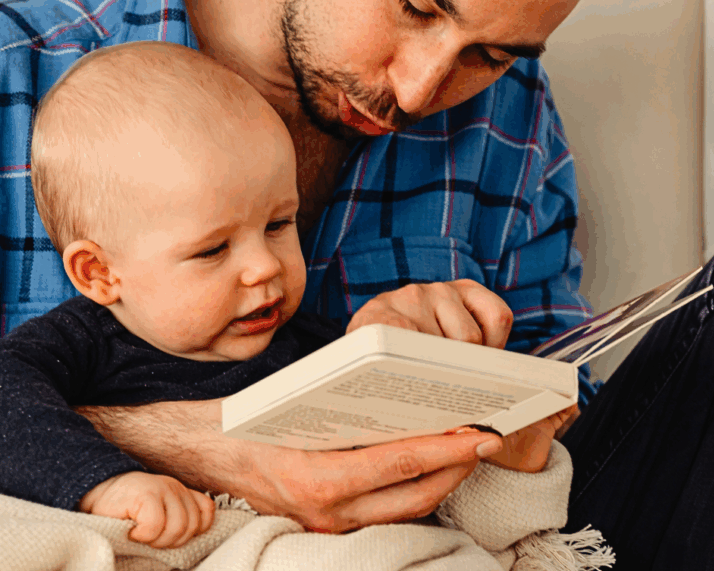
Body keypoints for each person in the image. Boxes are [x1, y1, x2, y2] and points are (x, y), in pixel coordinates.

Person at [0, 0, 614, 529]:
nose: (421, 90)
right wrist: (193, 442)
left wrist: (464, 371)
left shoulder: (509, 109)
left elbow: (574, 396)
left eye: (489, 54)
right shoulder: (15, 74)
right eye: (416, 1)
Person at [0, 40, 520, 548]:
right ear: (99, 273)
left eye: (278, 224)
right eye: (212, 250)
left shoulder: (315, 347)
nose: (264, 267)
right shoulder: (80, 342)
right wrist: (105, 483)